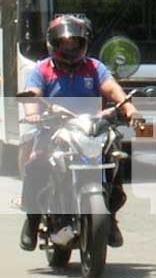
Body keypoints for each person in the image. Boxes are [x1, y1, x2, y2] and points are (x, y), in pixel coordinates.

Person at [19, 15, 141, 251]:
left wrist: (129, 108)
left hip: (92, 129)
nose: (70, 47)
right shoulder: (42, 69)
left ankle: (110, 218)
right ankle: (32, 222)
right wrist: (34, 112)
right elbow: (32, 94)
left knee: (115, 159)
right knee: (36, 166)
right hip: (54, 128)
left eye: (74, 43)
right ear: (53, 43)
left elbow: (113, 89)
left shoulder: (95, 67)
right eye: (64, 43)